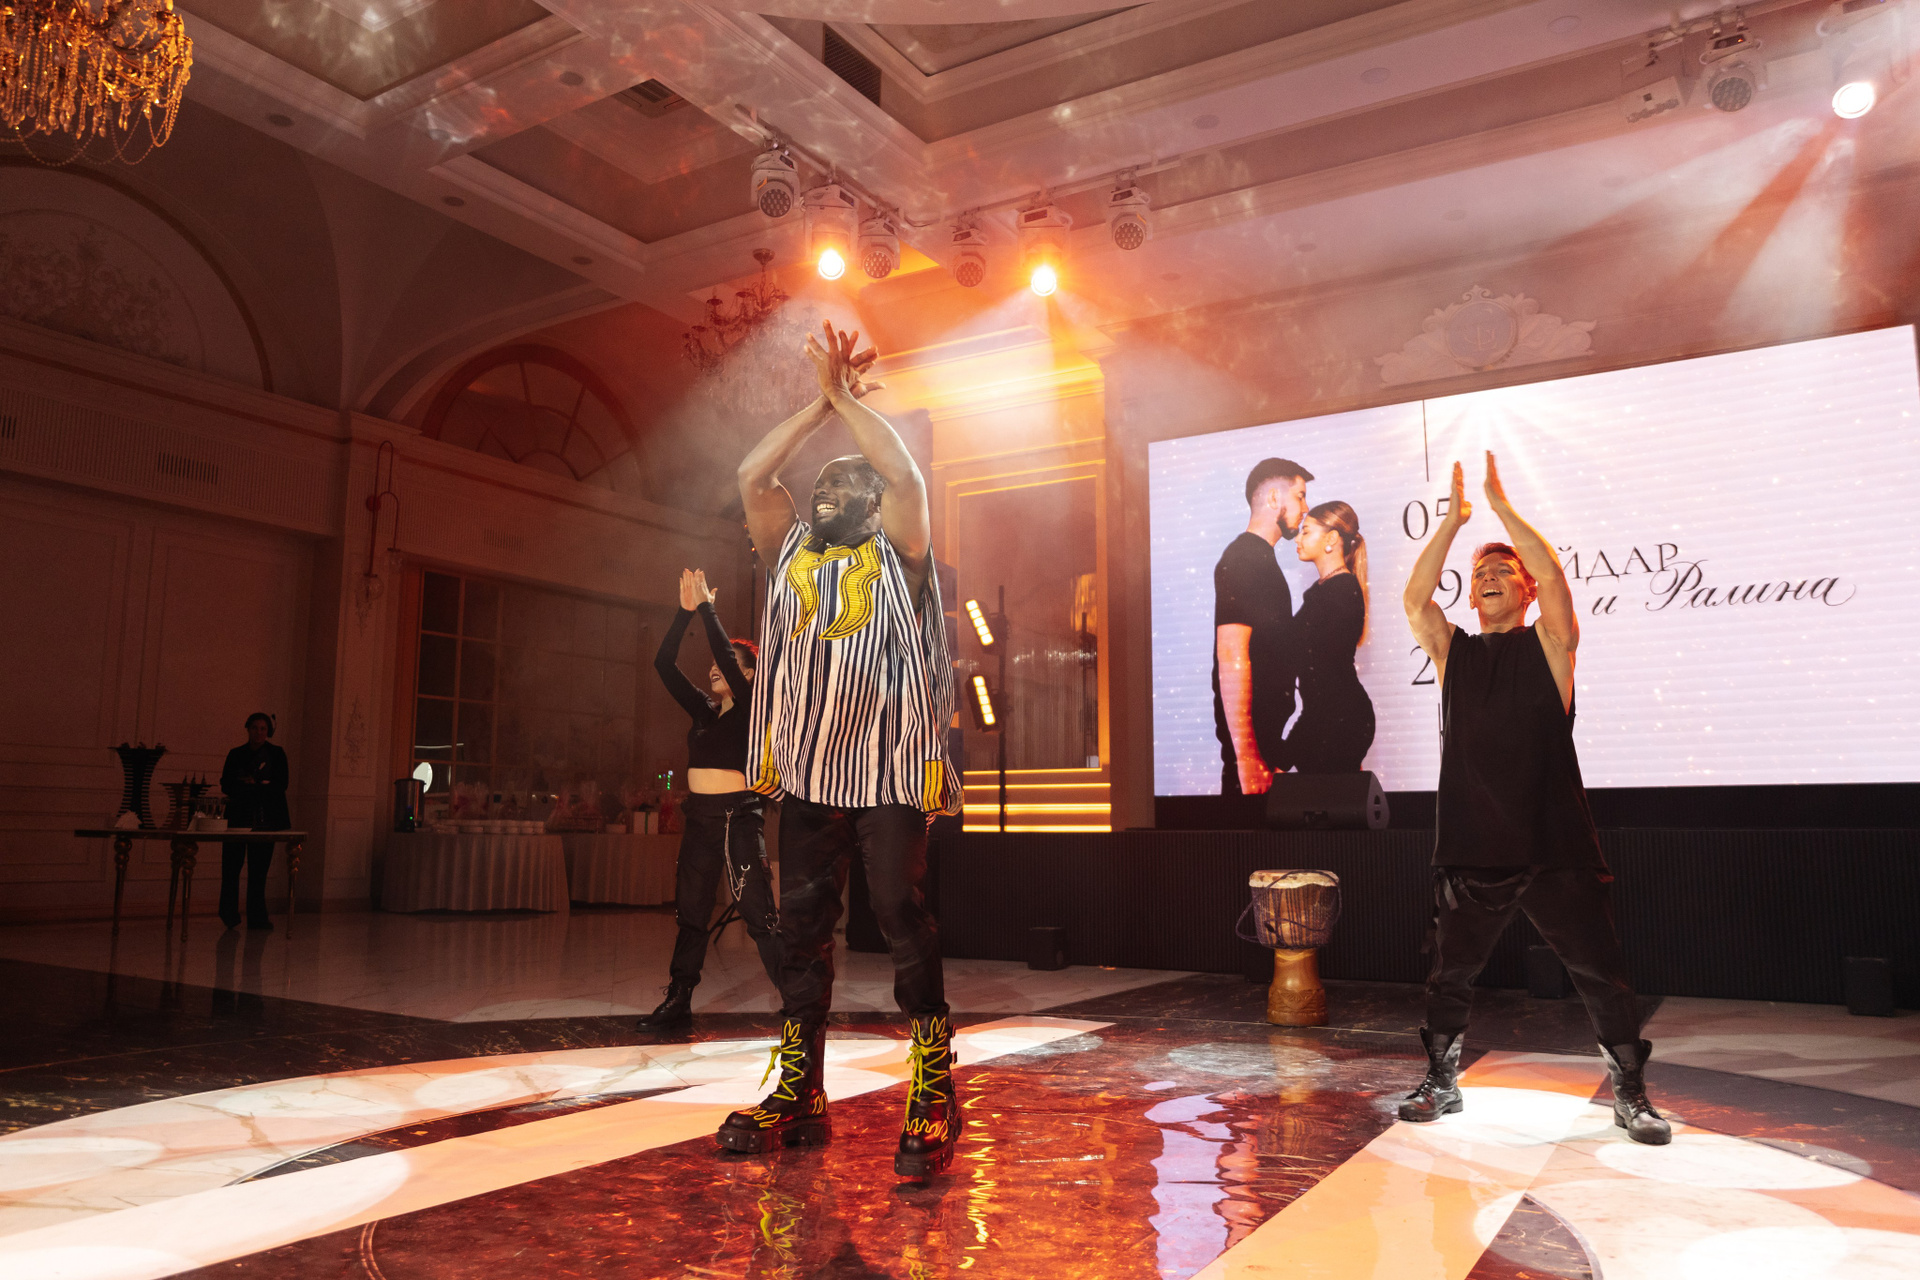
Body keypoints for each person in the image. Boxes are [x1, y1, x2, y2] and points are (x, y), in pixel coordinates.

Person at [716, 322, 963, 1179]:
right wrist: (819, 405)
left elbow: (906, 474)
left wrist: (848, 404)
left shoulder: (902, 555)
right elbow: (753, 476)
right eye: (822, 485)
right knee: (802, 933)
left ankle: (934, 1084)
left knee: (898, 914)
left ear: (873, 506)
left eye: (846, 486)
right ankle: (801, 1090)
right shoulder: (786, 549)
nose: (827, 494)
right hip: (811, 772)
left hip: (887, 769)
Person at [1400, 454, 1669, 1145]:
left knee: (1601, 975)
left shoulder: (1550, 643)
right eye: (1480, 575)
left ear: (1525, 591)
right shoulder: (1454, 652)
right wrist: (1452, 523)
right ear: (1472, 598)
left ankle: (1631, 1094)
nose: (1489, 577)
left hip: (1555, 843)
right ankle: (1441, 1081)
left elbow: (1553, 575)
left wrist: (1499, 506)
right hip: (1472, 844)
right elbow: (1415, 601)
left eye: (1503, 571)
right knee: (1449, 974)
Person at [634, 567, 782, 1034]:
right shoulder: (704, 710)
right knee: (691, 913)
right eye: (716, 661)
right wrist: (684, 613)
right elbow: (663, 663)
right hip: (699, 818)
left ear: (750, 674)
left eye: (730, 662)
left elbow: (724, 653)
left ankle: (800, 1003)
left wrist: (707, 608)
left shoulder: (754, 707)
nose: (716, 666)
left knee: (758, 913)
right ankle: (678, 999)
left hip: (738, 816)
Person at [1213, 458, 1313, 796]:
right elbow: (1231, 654)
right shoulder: (1245, 558)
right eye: (1300, 496)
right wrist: (1247, 758)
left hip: (1265, 749)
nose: (1305, 508)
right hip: (1253, 760)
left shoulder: (1260, 559)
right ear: (1273, 498)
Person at [1283, 500, 1375, 773]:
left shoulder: (1340, 592)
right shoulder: (1326, 591)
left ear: (1331, 539)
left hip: (1338, 721)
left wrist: (1291, 748)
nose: (1297, 539)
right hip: (1330, 718)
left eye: (1306, 531)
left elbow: (1327, 680)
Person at [219, 712, 289, 931]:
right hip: (238, 817)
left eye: (263, 729)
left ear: (268, 731)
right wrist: (256, 786)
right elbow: (226, 783)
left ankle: (257, 917)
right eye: (255, 728)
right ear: (248, 729)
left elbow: (281, 784)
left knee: (259, 870)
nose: (259, 732)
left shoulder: (276, 754)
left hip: (265, 818)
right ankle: (229, 914)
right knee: (231, 867)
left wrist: (252, 786)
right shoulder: (236, 754)